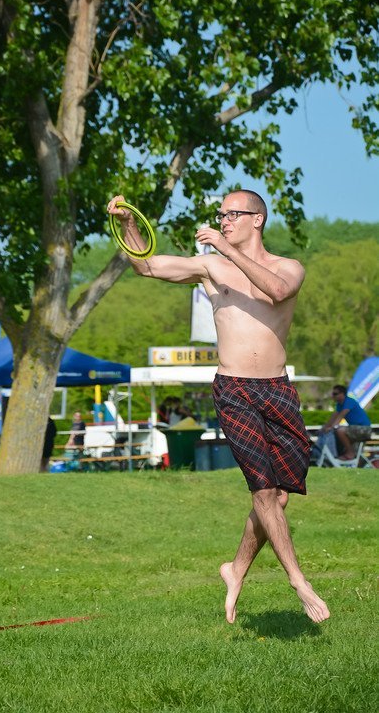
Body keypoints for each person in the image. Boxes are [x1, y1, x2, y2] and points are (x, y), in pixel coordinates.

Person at [108, 189, 330, 624]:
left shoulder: (288, 267)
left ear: (257, 219)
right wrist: (129, 225)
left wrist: (226, 249)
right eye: (221, 215)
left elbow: (277, 291)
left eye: (232, 214)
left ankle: (235, 570)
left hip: (278, 390)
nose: (223, 221)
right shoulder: (211, 266)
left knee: (279, 497)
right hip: (233, 389)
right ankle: (299, 581)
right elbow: (146, 265)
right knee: (262, 491)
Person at [321, 385, 372, 460]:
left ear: (342, 394)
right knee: (357, 457)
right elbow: (333, 417)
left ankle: (350, 453)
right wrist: (324, 428)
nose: (333, 396)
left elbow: (341, 415)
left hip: (364, 429)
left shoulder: (349, 401)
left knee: (340, 431)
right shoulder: (339, 404)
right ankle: (350, 457)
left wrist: (331, 427)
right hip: (356, 429)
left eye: (335, 394)